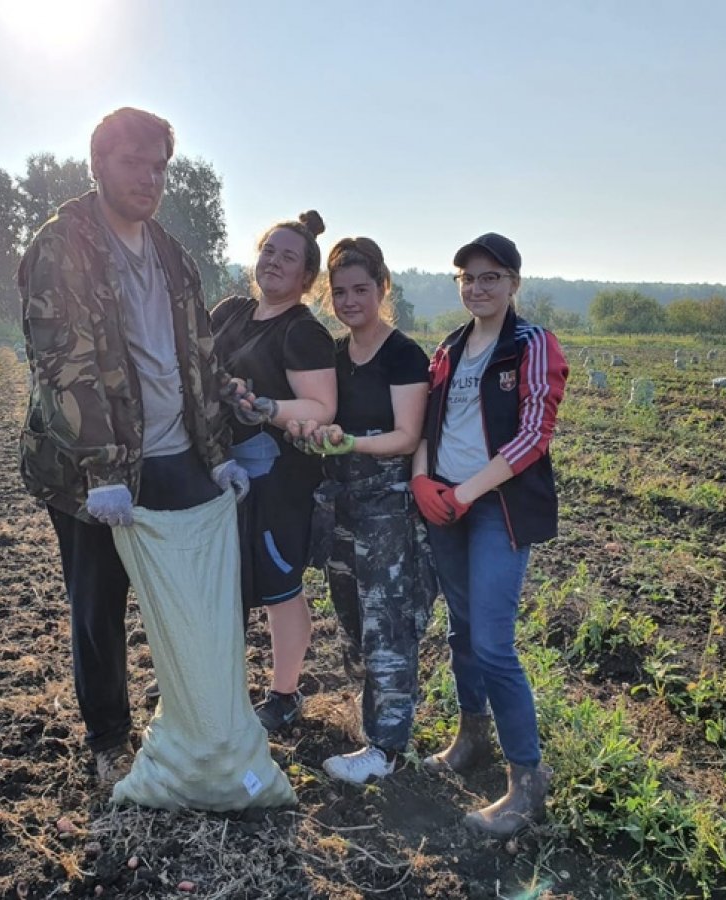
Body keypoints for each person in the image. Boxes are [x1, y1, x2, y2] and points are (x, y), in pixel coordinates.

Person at [17, 107, 250, 785]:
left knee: (199, 596)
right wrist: (100, 471)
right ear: (98, 165)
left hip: (175, 451)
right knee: (98, 605)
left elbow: (198, 359)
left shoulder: (172, 254)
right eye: (132, 163)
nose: (148, 179)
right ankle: (109, 738)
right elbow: (63, 366)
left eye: (159, 167)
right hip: (93, 468)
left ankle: (196, 722)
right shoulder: (61, 247)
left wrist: (216, 451)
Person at [411, 232, 568, 837]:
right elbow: (430, 419)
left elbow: (533, 435)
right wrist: (424, 478)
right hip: (445, 500)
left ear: (513, 285)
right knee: (462, 631)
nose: (477, 288)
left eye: (490, 278)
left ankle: (527, 781)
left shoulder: (531, 344)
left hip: (492, 509)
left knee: (496, 644)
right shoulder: (449, 348)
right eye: (467, 279)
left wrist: (466, 492)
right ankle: (469, 736)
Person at [288, 237, 436, 784]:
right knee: (351, 617)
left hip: (387, 509)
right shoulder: (332, 355)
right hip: (342, 505)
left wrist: (347, 441)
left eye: (361, 290)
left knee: (388, 624)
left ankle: (386, 748)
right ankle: (377, 719)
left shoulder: (402, 354)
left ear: (383, 288)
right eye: (341, 291)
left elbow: (406, 435)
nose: (351, 301)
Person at [210, 212, 337, 732]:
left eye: (289, 257)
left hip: (277, 479)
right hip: (218, 471)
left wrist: (263, 406)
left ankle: (284, 694)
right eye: (269, 251)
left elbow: (321, 408)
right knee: (220, 581)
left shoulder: (302, 331)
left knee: (279, 583)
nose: (275, 262)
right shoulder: (230, 311)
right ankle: (215, 678)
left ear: (307, 278)